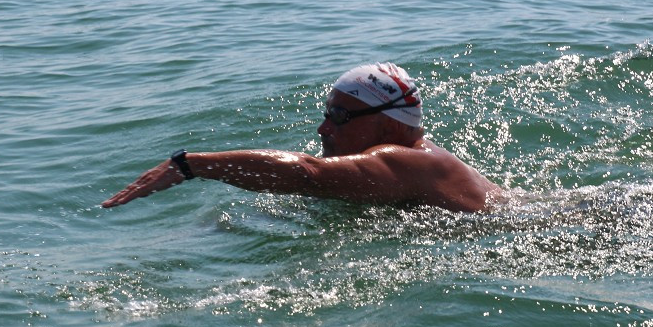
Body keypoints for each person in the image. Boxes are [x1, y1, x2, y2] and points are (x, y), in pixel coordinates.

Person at [101, 63, 506, 212]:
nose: (324, 128)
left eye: (340, 116)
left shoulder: (405, 158)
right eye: (326, 114)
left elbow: (309, 174)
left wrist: (194, 165)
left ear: (389, 123)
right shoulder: (415, 159)